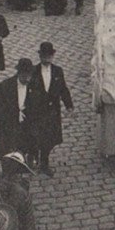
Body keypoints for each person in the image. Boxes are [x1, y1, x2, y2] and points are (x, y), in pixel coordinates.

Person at [24, 42, 74, 177]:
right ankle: (32, 159)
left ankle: (44, 164)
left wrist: (69, 105)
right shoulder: (33, 71)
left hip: (52, 112)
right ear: (40, 56)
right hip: (36, 112)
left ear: (53, 56)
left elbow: (63, 89)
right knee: (35, 137)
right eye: (44, 56)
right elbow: (26, 91)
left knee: (48, 139)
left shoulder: (58, 71)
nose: (47, 58)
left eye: (49, 56)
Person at [0, 58, 35, 160]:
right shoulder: (6, 86)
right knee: (5, 149)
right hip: (9, 124)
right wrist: (3, 115)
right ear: (19, 73)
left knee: (24, 147)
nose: (27, 79)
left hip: (26, 124)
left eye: (29, 75)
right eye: (24, 76)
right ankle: (7, 172)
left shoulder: (33, 86)